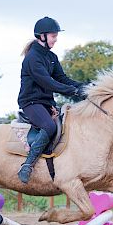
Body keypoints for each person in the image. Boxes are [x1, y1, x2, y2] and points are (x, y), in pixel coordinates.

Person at [17, 16, 87, 184]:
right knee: (49, 126)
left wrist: (85, 87)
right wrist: (73, 92)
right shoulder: (32, 58)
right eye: (53, 36)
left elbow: (62, 78)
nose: (56, 39)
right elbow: (48, 83)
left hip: (46, 103)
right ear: (42, 36)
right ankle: (27, 165)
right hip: (31, 102)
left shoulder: (52, 57)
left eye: (56, 36)